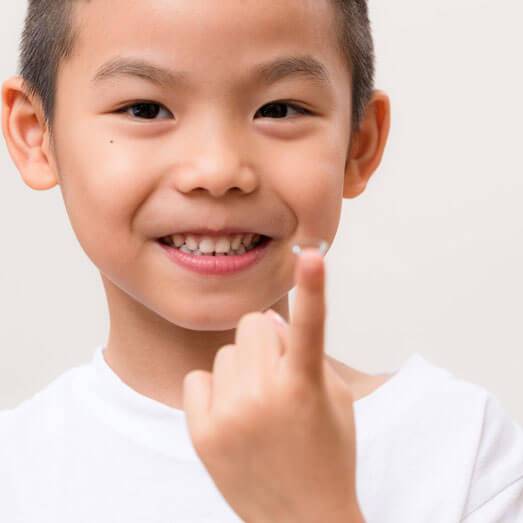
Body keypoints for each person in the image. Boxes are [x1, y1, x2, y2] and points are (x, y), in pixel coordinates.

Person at [1, 1, 522, 521]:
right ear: (34, 132)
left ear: (358, 144)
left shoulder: (461, 451)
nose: (218, 168)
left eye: (278, 110)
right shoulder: (16, 476)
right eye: (145, 109)